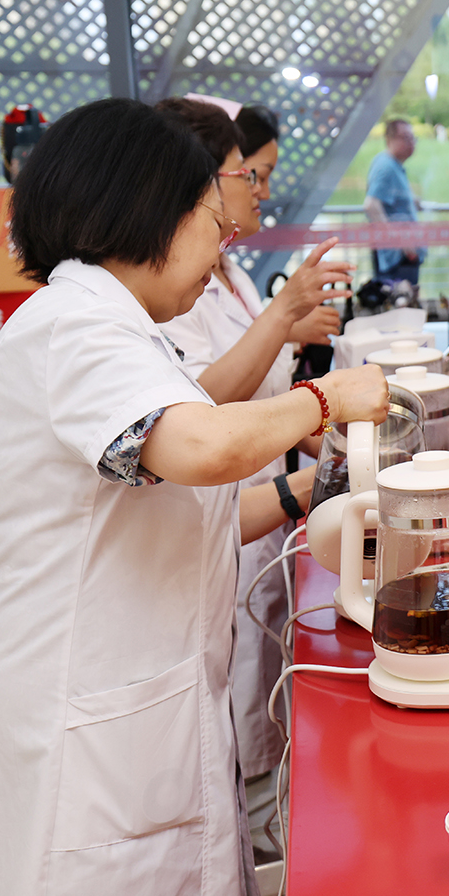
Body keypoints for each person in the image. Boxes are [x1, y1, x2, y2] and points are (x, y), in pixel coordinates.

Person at [0, 98, 388, 896]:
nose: (220, 242)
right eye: (207, 218)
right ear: (146, 211)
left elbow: (191, 510)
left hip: (145, 719)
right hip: (80, 742)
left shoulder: (129, 336)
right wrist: (325, 398)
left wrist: (302, 494)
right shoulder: (71, 331)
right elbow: (204, 447)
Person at [154, 97, 352, 846]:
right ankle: (260, 826)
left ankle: (267, 822)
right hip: (228, 510)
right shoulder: (166, 292)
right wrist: (285, 327)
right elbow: (198, 411)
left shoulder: (223, 271)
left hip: (259, 508)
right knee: (237, 692)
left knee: (261, 680)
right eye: (247, 174)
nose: (258, 191)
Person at [365, 117, 425, 286]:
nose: (411, 142)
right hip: (398, 258)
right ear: (389, 140)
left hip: (402, 255)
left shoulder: (393, 165)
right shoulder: (386, 167)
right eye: (405, 137)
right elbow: (371, 205)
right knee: (401, 304)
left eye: (413, 137)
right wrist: (400, 242)